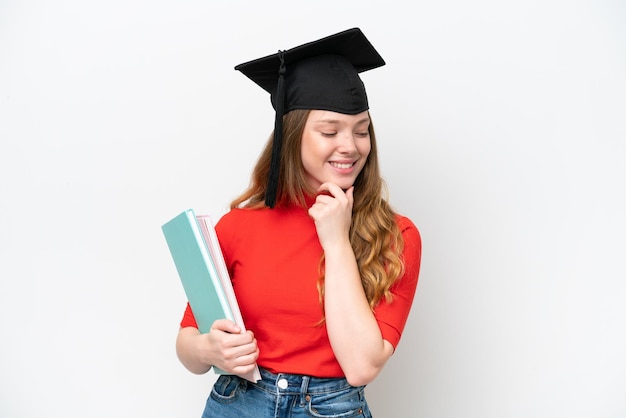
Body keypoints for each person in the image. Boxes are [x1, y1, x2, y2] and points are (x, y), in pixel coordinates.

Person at [175, 28, 422, 418]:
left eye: (361, 131)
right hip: (238, 403)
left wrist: (337, 241)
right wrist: (207, 349)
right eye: (330, 131)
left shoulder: (394, 235)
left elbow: (361, 366)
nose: (351, 146)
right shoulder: (238, 225)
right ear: (292, 135)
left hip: (331, 408)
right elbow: (189, 342)